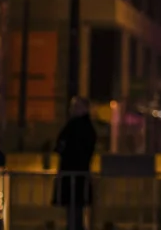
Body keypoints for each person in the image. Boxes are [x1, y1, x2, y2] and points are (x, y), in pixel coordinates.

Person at [54, 96, 97, 230]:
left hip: (74, 175)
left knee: (74, 211)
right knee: (76, 210)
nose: (72, 110)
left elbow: (62, 146)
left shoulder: (76, 126)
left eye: (76, 106)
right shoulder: (86, 127)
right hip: (78, 175)